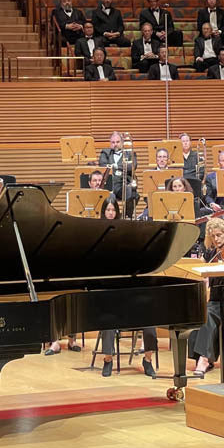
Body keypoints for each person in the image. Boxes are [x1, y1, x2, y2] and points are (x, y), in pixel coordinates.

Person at [97, 202, 158, 378]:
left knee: (150, 322)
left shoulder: (137, 264)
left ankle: (147, 360)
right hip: (114, 304)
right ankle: (108, 360)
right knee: (107, 320)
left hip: (133, 305)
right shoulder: (108, 270)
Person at [189, 218, 224, 378]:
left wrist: (223, 267)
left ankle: (204, 359)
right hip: (216, 300)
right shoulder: (209, 252)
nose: (216, 239)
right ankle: (204, 358)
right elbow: (198, 268)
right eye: (213, 236)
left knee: (209, 314)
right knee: (200, 314)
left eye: (219, 235)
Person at [98, 132, 137, 217]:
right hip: (108, 185)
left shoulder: (130, 153)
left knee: (134, 194)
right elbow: (102, 165)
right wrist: (121, 167)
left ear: (122, 143)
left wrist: (115, 166)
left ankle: (125, 216)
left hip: (122, 185)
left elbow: (132, 167)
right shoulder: (105, 152)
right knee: (111, 197)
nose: (115, 144)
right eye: (113, 142)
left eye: (117, 142)